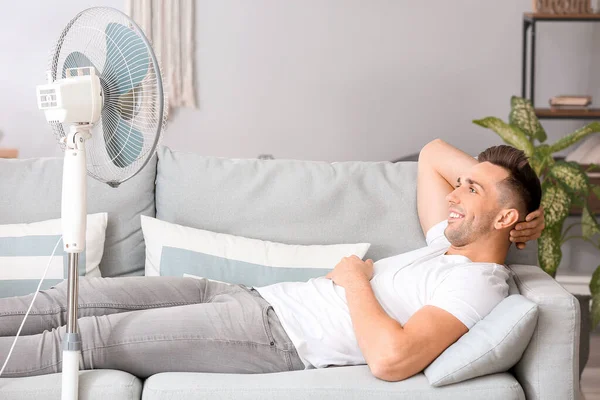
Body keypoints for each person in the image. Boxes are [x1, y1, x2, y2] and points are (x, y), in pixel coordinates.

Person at [0, 139, 544, 382]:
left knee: (90, 339)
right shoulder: (443, 245)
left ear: (499, 220)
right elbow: (430, 154)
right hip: (244, 299)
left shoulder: (477, 286)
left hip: (274, 337)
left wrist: (355, 279)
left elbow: (392, 359)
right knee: (71, 299)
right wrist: (501, 200)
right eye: (463, 182)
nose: (453, 193)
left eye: (469, 190)